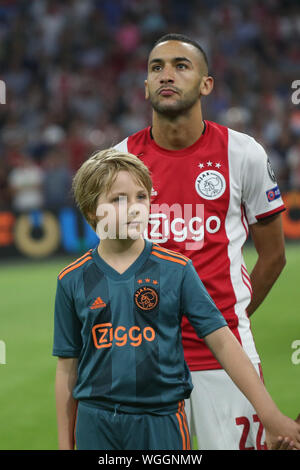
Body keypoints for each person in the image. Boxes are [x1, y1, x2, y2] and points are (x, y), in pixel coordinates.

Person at [52, 148, 300, 451]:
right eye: (118, 199)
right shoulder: (72, 279)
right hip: (96, 422)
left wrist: (270, 414)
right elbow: (67, 367)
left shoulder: (175, 269)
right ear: (92, 209)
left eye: (141, 197)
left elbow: (222, 340)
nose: (134, 208)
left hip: (162, 420)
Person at [114, 33, 288, 450]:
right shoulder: (119, 160)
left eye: (180, 65)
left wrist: (226, 324)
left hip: (226, 362)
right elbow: (112, 264)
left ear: (206, 84)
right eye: (156, 68)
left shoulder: (243, 153)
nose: (166, 75)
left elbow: (274, 256)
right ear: (145, 87)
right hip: (146, 359)